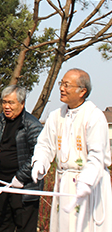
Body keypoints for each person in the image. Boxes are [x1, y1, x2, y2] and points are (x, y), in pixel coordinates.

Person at [31, 68, 112, 232]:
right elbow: (45, 145)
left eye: (67, 85)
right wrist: (40, 161)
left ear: (82, 91)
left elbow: (97, 155)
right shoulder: (55, 116)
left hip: (90, 184)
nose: (61, 88)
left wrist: (87, 180)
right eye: (61, 83)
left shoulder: (94, 117)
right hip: (64, 181)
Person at [0, 85, 43, 232]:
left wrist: (21, 177)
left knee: (24, 227)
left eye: (11, 102)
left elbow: (38, 155)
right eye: (4, 102)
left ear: (22, 104)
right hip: (2, 184)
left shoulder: (32, 125)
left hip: (24, 188)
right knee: (2, 225)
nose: (7, 106)